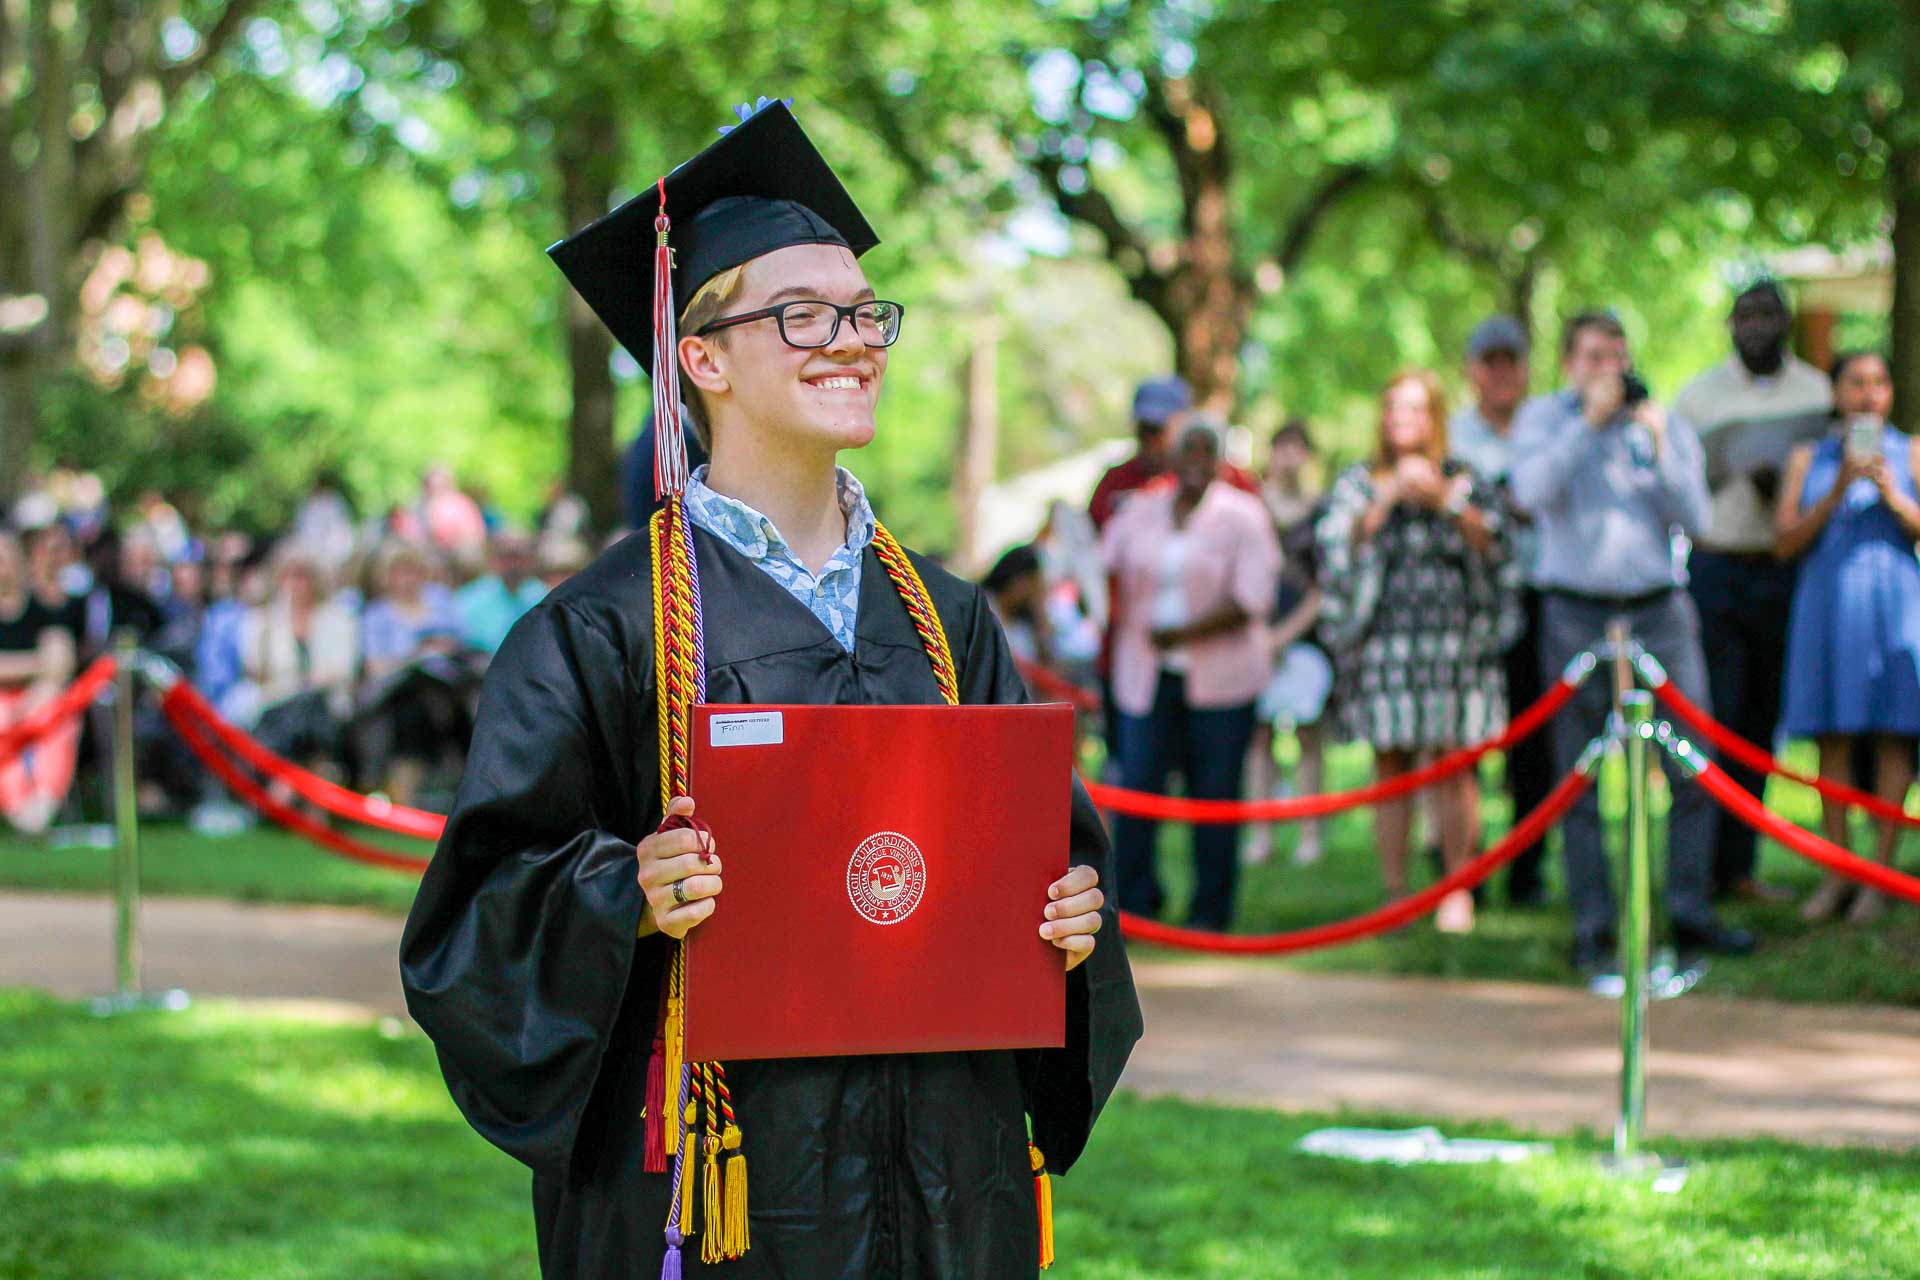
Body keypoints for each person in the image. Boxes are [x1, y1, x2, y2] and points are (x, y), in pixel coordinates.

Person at [399, 101, 1139, 1279]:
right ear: (701, 359)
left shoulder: (946, 621)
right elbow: (477, 917)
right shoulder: (606, 627)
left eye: (864, 313)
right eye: (803, 314)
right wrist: (620, 888)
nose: (852, 339)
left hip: (947, 1183)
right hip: (728, 1185)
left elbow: (1049, 866)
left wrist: (1068, 918)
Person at [1511, 309, 1752, 970]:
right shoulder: (1544, 421)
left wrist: (1661, 446)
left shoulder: (1662, 421)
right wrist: (1588, 424)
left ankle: (1689, 912)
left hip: (1660, 610)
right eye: (1594, 357)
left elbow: (1698, 518)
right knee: (1579, 777)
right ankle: (1594, 926)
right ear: (1569, 364)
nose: (1608, 370)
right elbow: (1529, 493)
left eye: (1616, 356)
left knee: (1693, 764)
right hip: (1574, 611)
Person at [1317, 371, 1513, 934]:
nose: (1401, 419)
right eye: (1392, 408)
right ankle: (1396, 894)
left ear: (1434, 417)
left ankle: (1457, 889)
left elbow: (1499, 545)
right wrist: (1383, 504)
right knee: (1391, 765)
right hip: (1386, 644)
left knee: (1453, 766)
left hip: (1453, 643)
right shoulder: (1359, 481)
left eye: (1414, 409)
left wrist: (1443, 502)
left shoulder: (1462, 477)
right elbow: (1334, 552)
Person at [1673, 281, 1833, 902]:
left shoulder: (1817, 394)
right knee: (1717, 714)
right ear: (1731, 324)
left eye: (1770, 315)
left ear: (1787, 323)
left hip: (1785, 568)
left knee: (1762, 720)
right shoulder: (1697, 398)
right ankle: (1700, 866)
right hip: (1717, 566)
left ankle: (1739, 868)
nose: (1759, 326)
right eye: (1748, 316)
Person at [1102, 418, 1279, 930]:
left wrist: (1181, 634)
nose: (1197, 459)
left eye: (1208, 450)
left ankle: (1210, 913)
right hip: (1147, 676)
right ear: (1171, 457)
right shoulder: (1143, 508)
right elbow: (1100, 562)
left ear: (1220, 458)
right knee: (1137, 790)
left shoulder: (1243, 515)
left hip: (1223, 682)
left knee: (1215, 794)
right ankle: (1134, 907)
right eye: (1188, 450)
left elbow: (1253, 599)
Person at [1776, 351, 1920, 924]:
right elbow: (1784, 542)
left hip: (1895, 607)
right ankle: (1836, 872)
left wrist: (1893, 496)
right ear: (1835, 394)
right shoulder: (1807, 458)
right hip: (1827, 607)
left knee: (1893, 738)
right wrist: (1835, 490)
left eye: (1879, 383)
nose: (1868, 394)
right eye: (1855, 383)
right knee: (1830, 740)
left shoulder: (1910, 451)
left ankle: (1879, 878)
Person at [1449, 316, 1554, 906]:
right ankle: (1462, 867)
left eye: (1510, 360)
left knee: (1533, 746)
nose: (1501, 373)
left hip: (1536, 596)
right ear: (1472, 370)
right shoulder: (1453, 434)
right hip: (1470, 606)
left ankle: (1527, 870)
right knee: (1464, 741)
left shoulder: (1545, 429)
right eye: (1490, 361)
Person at [1244, 419, 1332, 868]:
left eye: (1299, 447)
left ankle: (1311, 832)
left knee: (1308, 735)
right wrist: (1260, 634)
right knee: (1257, 739)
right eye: (1283, 447)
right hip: (1253, 639)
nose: (1289, 456)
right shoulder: (1251, 507)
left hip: (1305, 639)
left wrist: (1286, 634)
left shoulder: (1323, 512)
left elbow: (1326, 585)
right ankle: (1260, 833)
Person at [354, 541, 468, 805]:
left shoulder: (440, 601)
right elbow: (374, 666)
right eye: (400, 572)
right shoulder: (377, 614)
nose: (407, 579)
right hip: (397, 696)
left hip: (448, 688)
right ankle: (406, 800)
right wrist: (413, 654)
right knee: (413, 713)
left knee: (464, 711)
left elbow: (461, 644)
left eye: (412, 571)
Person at [237, 548, 359, 776]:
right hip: (278, 707)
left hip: (324, 705)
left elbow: (343, 670)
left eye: (304, 575)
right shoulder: (261, 622)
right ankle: (309, 783)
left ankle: (282, 789)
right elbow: (256, 673)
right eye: (290, 575)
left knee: (310, 707)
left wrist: (307, 682)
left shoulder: (339, 619)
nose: (298, 583)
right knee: (295, 717)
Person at [0, 529, 81, 832]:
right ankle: (17, 806)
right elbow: (48, 662)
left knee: (53, 712)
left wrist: (31, 684)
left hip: (38, 700)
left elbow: (61, 664)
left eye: (7, 559)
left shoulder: (43, 611)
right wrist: (36, 664)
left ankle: (43, 804)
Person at [453, 530, 548, 657]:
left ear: (531, 560)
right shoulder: (470, 598)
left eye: (520, 558)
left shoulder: (543, 595)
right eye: (507, 557)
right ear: (493, 559)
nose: (514, 565)